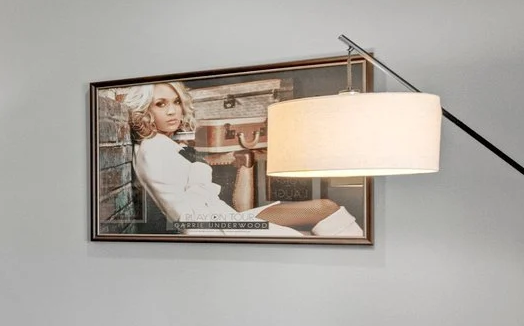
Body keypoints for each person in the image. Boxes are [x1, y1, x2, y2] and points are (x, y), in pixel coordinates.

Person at [121, 81, 361, 238]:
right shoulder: (153, 150)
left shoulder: (163, 145)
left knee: (325, 209)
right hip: (216, 228)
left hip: (228, 219)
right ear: (146, 111)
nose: (173, 111)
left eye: (176, 102)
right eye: (160, 104)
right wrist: (199, 167)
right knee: (321, 215)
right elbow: (186, 219)